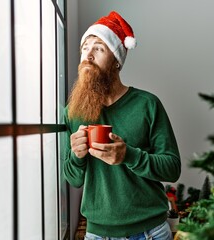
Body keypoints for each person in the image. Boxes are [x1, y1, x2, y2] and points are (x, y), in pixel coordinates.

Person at [63, 11, 181, 239]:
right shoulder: (73, 112)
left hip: (151, 233)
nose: (88, 56)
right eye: (85, 48)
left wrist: (129, 156)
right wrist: (76, 155)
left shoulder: (148, 104)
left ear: (116, 61)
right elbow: (73, 179)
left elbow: (172, 168)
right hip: (98, 234)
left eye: (98, 48)